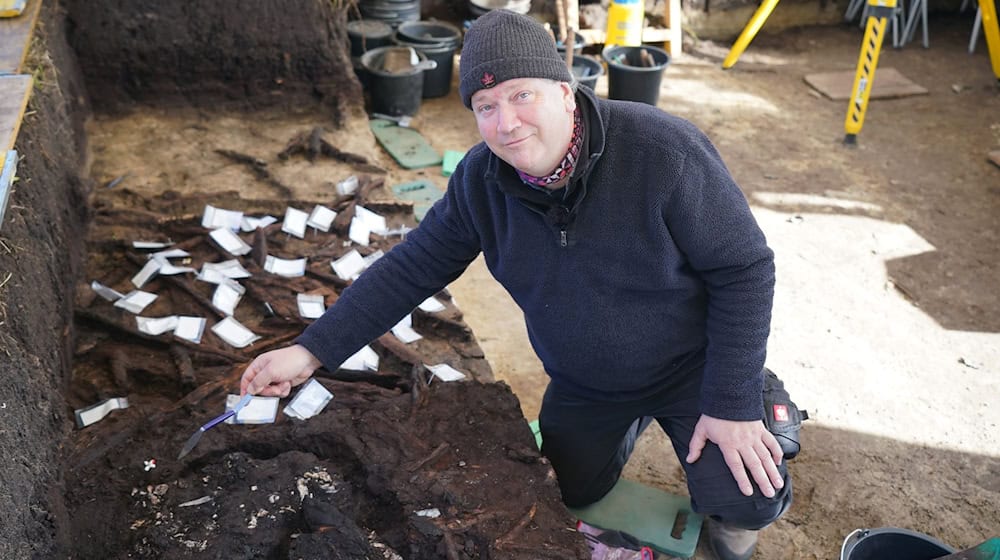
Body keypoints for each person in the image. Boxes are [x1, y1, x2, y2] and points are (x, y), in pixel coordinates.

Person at [240, 9, 792, 560]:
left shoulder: (663, 151)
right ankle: (624, 424)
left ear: (564, 91)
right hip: (587, 379)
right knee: (567, 489)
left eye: (522, 95)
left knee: (745, 490)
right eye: (486, 106)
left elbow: (744, 268)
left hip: (689, 367)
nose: (506, 123)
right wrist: (311, 350)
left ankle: (739, 496)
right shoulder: (481, 181)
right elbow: (412, 267)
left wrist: (732, 402)